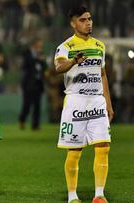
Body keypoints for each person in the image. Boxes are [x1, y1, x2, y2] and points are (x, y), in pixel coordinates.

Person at [54, 6, 114, 203]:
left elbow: (102, 74)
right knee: (75, 150)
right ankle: (73, 196)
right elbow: (58, 67)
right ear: (73, 23)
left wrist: (108, 103)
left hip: (97, 100)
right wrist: (73, 62)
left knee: (103, 146)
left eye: (89, 19)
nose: (88, 23)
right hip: (75, 102)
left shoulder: (99, 46)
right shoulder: (65, 47)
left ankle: (99, 195)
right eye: (83, 20)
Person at [18, 37, 47, 130]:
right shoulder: (27, 53)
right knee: (27, 105)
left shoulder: (40, 54)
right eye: (39, 45)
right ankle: (22, 121)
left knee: (37, 106)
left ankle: (35, 125)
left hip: (38, 83)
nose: (40, 47)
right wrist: (37, 59)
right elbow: (25, 65)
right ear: (34, 45)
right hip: (28, 84)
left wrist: (42, 61)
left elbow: (44, 67)